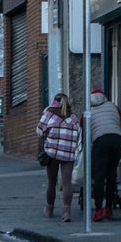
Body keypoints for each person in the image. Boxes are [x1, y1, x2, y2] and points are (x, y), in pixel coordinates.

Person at [36, 93, 81, 222]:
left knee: (52, 181)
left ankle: (49, 209)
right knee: (67, 183)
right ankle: (66, 212)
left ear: (54, 102)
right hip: (68, 154)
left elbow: (39, 131)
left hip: (52, 153)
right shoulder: (73, 118)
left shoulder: (49, 114)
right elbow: (78, 135)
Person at [86, 88, 121, 222]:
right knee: (111, 173)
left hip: (100, 141)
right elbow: (119, 119)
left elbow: (84, 131)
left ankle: (98, 210)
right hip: (117, 140)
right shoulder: (113, 106)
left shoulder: (87, 110)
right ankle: (108, 208)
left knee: (99, 176)